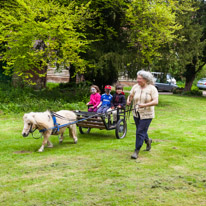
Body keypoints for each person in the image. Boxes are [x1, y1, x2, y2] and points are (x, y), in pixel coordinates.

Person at [127, 70, 158, 159]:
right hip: (136, 113)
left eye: (140, 79)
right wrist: (128, 100)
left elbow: (156, 101)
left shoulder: (152, 89)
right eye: (137, 78)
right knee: (141, 130)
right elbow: (131, 95)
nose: (138, 80)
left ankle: (136, 150)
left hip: (147, 114)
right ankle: (148, 141)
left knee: (140, 131)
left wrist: (144, 105)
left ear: (145, 79)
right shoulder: (135, 87)